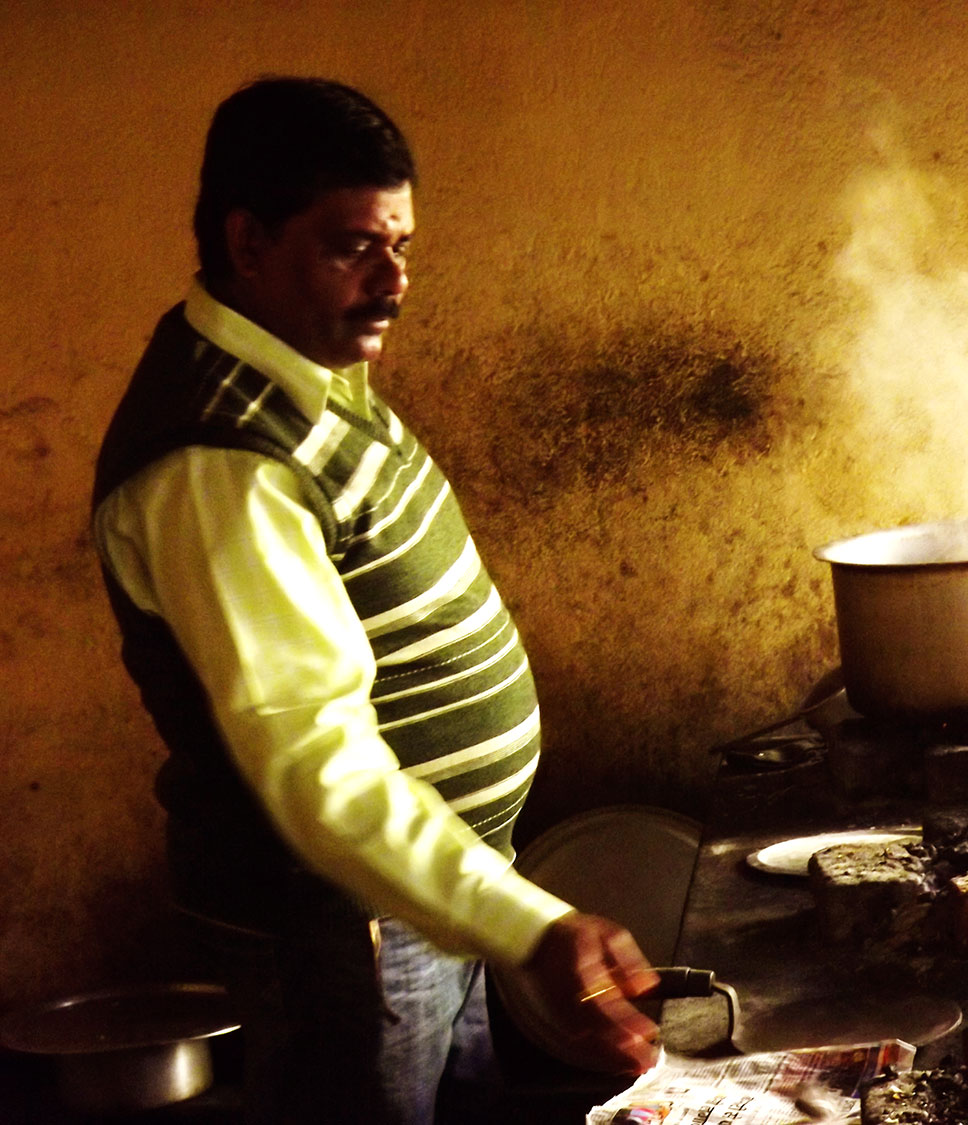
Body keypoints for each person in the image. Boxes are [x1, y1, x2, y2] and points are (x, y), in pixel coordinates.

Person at [91, 76, 660, 1123]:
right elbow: (314, 763)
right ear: (248, 240)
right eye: (353, 247)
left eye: (402, 246)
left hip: (423, 903)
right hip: (342, 929)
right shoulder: (222, 466)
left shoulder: (306, 372)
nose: (393, 282)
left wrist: (487, 910)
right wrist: (525, 923)